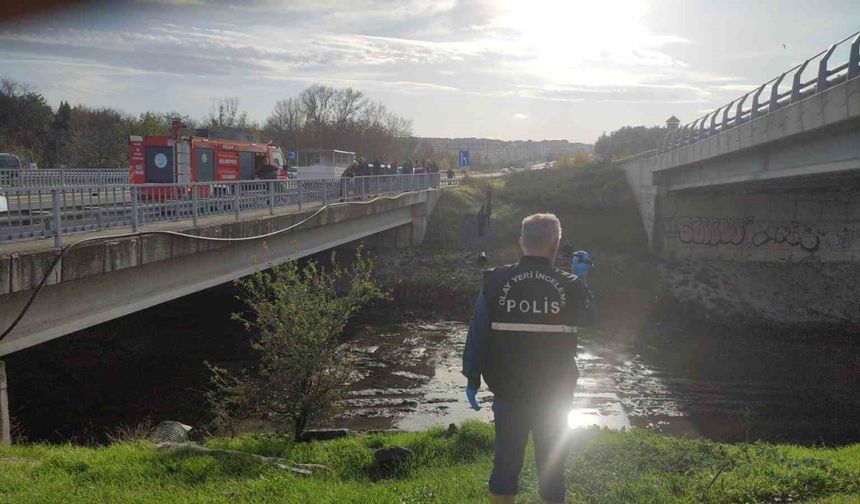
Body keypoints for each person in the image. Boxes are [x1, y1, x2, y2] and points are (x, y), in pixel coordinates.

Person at [462, 213, 596, 504]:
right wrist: (582, 280)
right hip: (555, 394)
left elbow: (477, 333)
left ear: (521, 242)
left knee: (506, 465)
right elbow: (590, 318)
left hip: (509, 392)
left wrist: (472, 377)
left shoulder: (496, 281)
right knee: (552, 469)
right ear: (555, 245)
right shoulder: (571, 285)